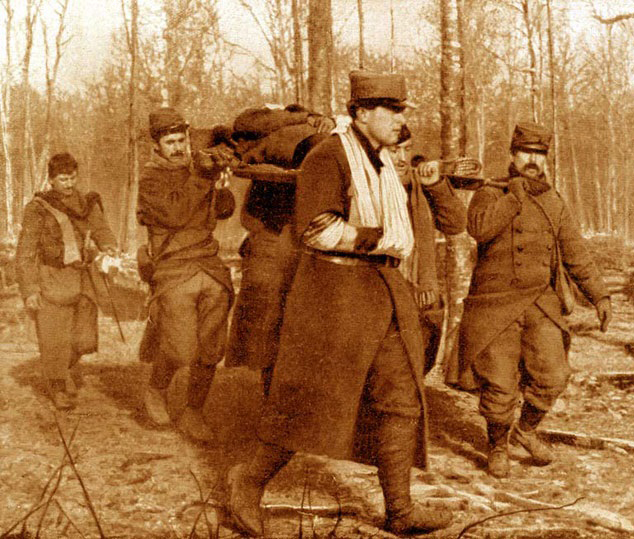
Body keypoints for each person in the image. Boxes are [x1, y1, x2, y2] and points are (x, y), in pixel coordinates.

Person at [225, 71, 457, 537]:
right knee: (307, 403)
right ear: (362, 112)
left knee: (401, 400)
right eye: (392, 110)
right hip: (334, 292)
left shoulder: (384, 162)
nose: (400, 119)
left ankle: (399, 510)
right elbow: (318, 228)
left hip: (384, 289)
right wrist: (378, 238)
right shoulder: (328, 157)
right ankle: (246, 483)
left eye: (401, 110)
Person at [456, 122, 612, 478]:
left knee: (554, 375)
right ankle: (497, 446)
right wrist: (513, 197)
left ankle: (525, 431)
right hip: (495, 304)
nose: (532, 160)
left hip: (541, 303)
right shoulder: (491, 192)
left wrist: (600, 295)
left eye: (539, 154)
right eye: (526, 152)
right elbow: (479, 229)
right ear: (513, 154)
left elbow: (576, 252)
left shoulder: (553, 201)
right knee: (499, 384)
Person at [136, 107, 236, 442]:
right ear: (157, 146)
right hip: (173, 266)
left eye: (182, 140)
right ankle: (156, 389)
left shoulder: (197, 166)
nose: (178, 148)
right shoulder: (151, 177)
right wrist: (203, 177)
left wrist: (221, 178)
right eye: (171, 142)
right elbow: (176, 214)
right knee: (181, 349)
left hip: (208, 263)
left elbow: (224, 210)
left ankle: (194, 410)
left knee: (211, 348)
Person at [225, 105, 333, 395]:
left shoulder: (311, 140)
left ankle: (281, 386)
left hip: (299, 237)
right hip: (271, 235)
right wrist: (305, 119)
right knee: (266, 314)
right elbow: (246, 124)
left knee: (294, 319)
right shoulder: (270, 133)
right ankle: (266, 387)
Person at [16, 153, 117, 410]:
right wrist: (30, 290)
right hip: (53, 279)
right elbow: (26, 252)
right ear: (51, 180)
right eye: (63, 179)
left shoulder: (86, 203)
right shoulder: (38, 208)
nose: (69, 184)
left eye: (72, 178)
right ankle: (57, 384)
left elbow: (101, 228)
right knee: (55, 339)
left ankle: (62, 369)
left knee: (84, 340)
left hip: (83, 279)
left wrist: (108, 245)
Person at [386, 125, 467, 375]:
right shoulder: (368, 185)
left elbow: (455, 223)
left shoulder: (419, 186)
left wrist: (436, 185)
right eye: (394, 150)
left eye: (407, 150)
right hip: (383, 293)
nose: (402, 158)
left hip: (421, 295)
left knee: (417, 366)